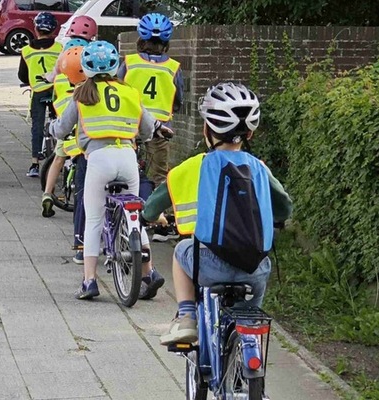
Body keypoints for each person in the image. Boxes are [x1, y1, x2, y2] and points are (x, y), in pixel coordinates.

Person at [140, 83, 293, 345]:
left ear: (207, 129)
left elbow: (153, 206)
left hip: (208, 266)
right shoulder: (259, 168)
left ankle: (187, 317)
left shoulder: (193, 166)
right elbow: (285, 207)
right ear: (250, 134)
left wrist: (149, 217)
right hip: (255, 270)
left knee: (181, 250)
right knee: (251, 317)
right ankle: (248, 343)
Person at [50, 41, 172, 299]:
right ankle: (149, 272)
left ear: (86, 68)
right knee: (135, 216)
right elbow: (148, 128)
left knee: (94, 221)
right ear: (116, 66)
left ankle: (89, 281)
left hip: (98, 159)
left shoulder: (82, 94)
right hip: (127, 158)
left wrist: (52, 129)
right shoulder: (129, 92)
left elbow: (61, 129)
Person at [118, 12, 183, 242]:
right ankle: (159, 220)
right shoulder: (173, 68)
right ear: (166, 44)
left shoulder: (129, 62)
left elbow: (117, 87)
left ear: (140, 39)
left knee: (127, 170)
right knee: (159, 174)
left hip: (130, 125)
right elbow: (178, 99)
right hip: (161, 129)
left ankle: (124, 213)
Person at [41, 43, 86, 219]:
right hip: (84, 133)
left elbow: (54, 102)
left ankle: (47, 194)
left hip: (65, 130)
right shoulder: (90, 86)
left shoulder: (59, 81)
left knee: (58, 159)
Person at [18, 12, 63, 177]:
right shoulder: (59, 49)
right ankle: (62, 157)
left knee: (36, 125)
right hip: (57, 90)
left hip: (38, 91)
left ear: (36, 29)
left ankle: (34, 163)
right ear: (54, 30)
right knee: (61, 120)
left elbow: (22, 76)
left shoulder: (26, 51)